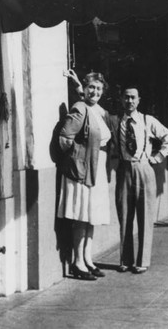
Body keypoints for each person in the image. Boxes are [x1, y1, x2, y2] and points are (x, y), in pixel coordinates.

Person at [110, 86, 168, 274]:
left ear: (138, 100)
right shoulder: (116, 122)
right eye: (126, 97)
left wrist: (158, 157)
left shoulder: (147, 120)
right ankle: (125, 260)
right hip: (124, 169)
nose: (129, 101)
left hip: (144, 168)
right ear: (121, 100)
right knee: (124, 215)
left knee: (145, 216)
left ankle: (142, 261)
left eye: (133, 98)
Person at [57, 70, 112, 281]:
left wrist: (80, 88)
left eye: (98, 88)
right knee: (81, 217)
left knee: (91, 217)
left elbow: (93, 107)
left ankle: (87, 259)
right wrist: (78, 160)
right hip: (82, 171)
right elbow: (65, 139)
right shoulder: (79, 109)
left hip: (96, 169)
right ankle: (77, 262)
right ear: (85, 89)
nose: (95, 91)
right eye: (91, 87)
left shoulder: (97, 110)